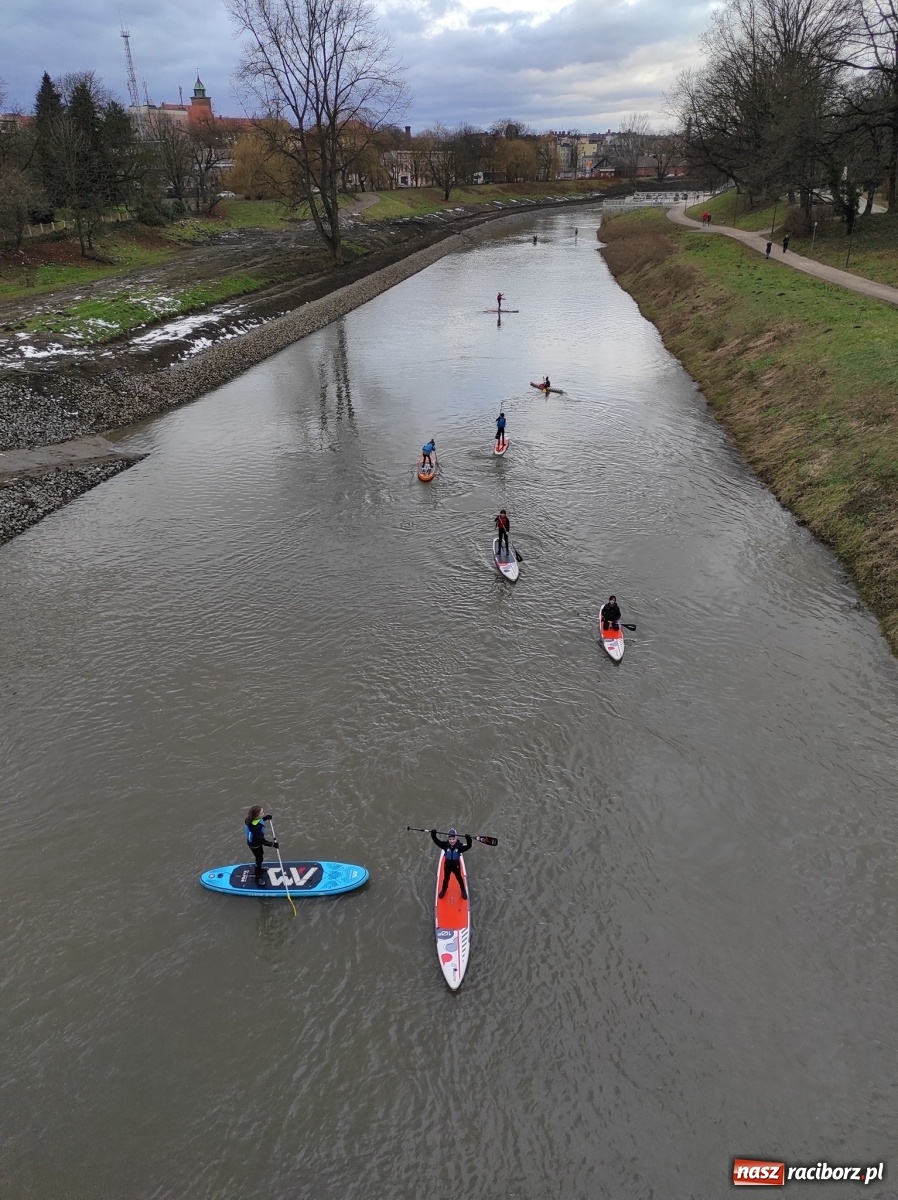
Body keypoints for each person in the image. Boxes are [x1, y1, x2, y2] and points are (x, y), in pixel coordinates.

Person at [431, 828, 472, 899]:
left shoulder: (459, 847)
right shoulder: (445, 845)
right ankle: (444, 890)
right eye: (450, 839)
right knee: (446, 878)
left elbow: (469, 846)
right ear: (448, 839)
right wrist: (433, 835)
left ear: (456, 839)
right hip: (447, 865)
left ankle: (463, 890)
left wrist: (468, 839)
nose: (452, 841)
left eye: (453, 839)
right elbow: (437, 842)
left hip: (456, 865)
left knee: (459, 878)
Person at [245, 805, 278, 886]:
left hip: (255, 841)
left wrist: (265, 818)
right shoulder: (256, 829)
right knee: (259, 858)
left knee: (260, 855)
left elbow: (258, 821)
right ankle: (257, 877)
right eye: (262, 813)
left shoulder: (249, 819)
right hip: (255, 845)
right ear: (256, 816)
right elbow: (263, 842)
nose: (264, 813)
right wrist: (274, 844)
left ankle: (260, 868)